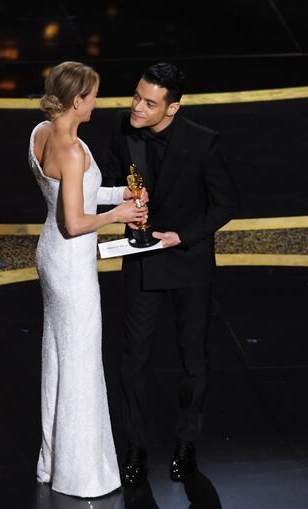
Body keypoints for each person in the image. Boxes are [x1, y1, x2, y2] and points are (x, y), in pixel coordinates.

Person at [102, 62, 239, 485]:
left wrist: (182, 235)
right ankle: (135, 447)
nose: (137, 107)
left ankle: (186, 443)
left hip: (188, 260)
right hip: (142, 257)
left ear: (173, 108)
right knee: (133, 360)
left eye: (149, 102)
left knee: (192, 360)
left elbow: (225, 204)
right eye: (136, 96)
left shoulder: (203, 143)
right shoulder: (121, 129)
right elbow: (116, 180)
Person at [28, 61, 149, 498]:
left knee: (60, 358)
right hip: (72, 265)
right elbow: (75, 221)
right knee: (79, 364)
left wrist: (120, 194)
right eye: (93, 96)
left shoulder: (41, 133)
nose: (97, 103)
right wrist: (119, 215)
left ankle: (54, 460)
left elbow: (69, 194)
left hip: (50, 256)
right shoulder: (73, 149)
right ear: (78, 100)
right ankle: (81, 474)